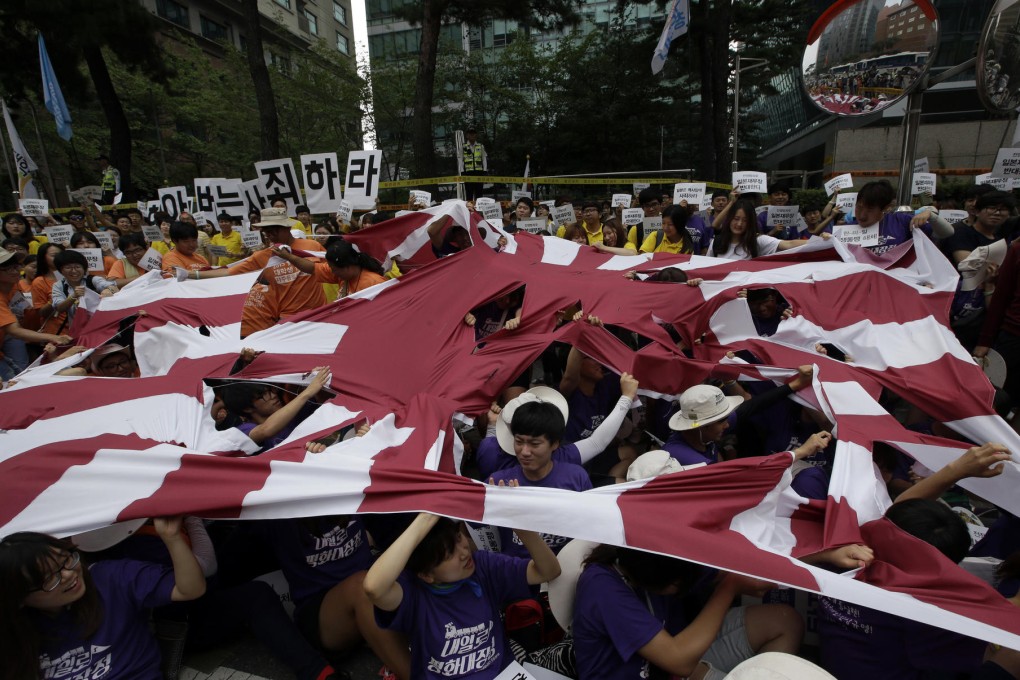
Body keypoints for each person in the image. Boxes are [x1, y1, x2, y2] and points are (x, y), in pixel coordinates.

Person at [0, 517, 206, 680]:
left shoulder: (111, 579)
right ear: (18, 598)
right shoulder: (15, 633)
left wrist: (172, 537)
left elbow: (189, 589)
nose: (69, 574)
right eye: (50, 578)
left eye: (67, 560)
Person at [363, 512, 561, 680]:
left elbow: (548, 571)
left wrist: (523, 529)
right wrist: (426, 517)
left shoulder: (483, 567)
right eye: (449, 554)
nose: (464, 552)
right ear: (426, 574)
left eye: (458, 537)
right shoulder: (413, 593)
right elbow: (373, 587)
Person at [572, 544, 803, 679]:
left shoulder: (663, 549)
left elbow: (723, 572)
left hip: (682, 652)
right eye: (677, 584)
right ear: (651, 576)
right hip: (668, 663)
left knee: (784, 622)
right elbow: (678, 661)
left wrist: (821, 557)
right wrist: (730, 587)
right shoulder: (602, 587)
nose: (681, 588)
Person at [186, 207, 326, 338]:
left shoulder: (312, 247)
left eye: (273, 230)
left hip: (320, 316)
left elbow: (336, 271)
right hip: (288, 321)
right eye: (266, 231)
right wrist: (189, 275)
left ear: (287, 227)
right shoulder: (262, 256)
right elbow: (228, 273)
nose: (270, 235)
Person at [221, 366, 331, 452]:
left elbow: (325, 404)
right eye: (262, 395)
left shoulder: (295, 413)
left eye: (270, 390)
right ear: (247, 408)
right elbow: (265, 430)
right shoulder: (244, 430)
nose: (273, 396)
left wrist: (316, 378)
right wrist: (308, 391)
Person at [271, 241, 387, 299]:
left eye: (334, 269)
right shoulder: (340, 273)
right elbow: (312, 268)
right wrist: (288, 257)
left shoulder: (375, 283)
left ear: (348, 266)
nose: (331, 272)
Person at [711, 200, 812, 260]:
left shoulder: (757, 241)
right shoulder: (716, 242)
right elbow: (706, 270)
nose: (739, 224)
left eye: (745, 220)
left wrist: (820, 240)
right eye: (736, 219)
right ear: (729, 219)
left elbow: (788, 244)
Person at [49, 249, 117, 329]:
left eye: (77, 267)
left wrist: (108, 290)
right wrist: (73, 296)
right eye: (68, 268)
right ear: (61, 270)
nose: (74, 271)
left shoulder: (93, 280)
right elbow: (59, 308)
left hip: (103, 327)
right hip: (78, 330)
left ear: (84, 269)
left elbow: (113, 287)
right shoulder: (59, 286)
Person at [462, 127, 488, 201]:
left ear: (476, 135)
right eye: (470, 134)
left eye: (473, 134)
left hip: (479, 172)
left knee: (479, 193)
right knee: (469, 193)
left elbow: (484, 158)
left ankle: (478, 210)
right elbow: (460, 159)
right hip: (468, 173)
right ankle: (469, 211)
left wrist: (485, 170)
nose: (472, 135)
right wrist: (461, 172)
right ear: (467, 135)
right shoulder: (463, 147)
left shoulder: (480, 146)